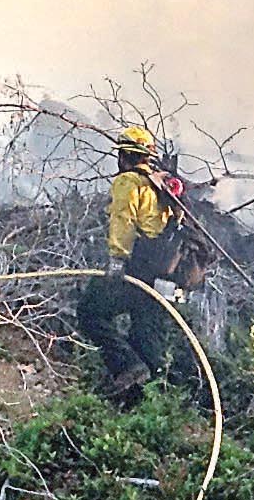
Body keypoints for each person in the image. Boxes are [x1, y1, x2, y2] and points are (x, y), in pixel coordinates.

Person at [75, 125, 199, 399]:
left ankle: (128, 366)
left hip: (137, 267)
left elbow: (123, 220)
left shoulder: (128, 182)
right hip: (164, 272)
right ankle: (147, 399)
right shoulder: (161, 184)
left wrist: (117, 260)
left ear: (123, 155)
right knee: (146, 335)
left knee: (90, 312)